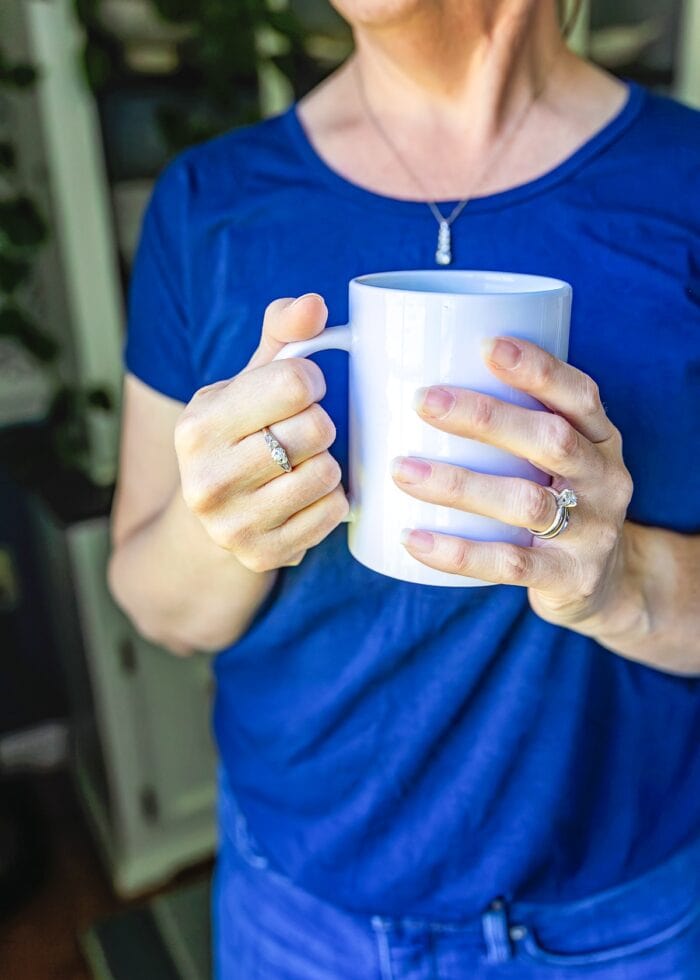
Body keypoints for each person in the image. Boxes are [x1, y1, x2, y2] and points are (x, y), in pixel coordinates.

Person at [108, 0, 700, 975]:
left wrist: (624, 580)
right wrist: (223, 527)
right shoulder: (207, 199)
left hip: (625, 924)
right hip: (297, 919)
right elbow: (155, 602)